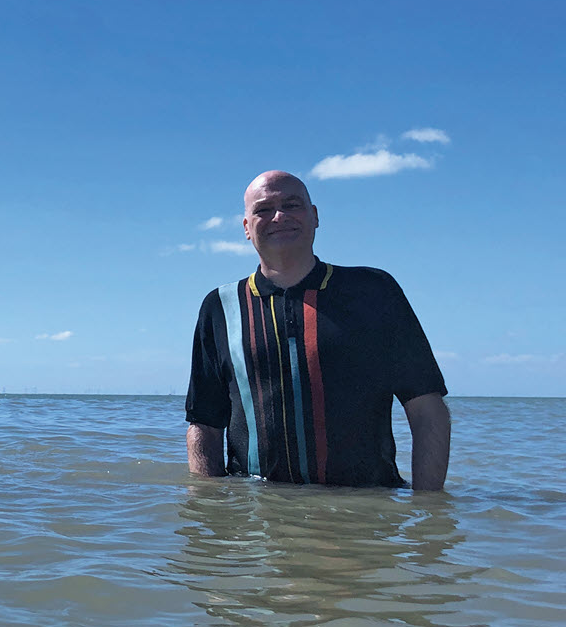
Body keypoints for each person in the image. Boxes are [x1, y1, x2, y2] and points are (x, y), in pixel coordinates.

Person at [185, 170, 450, 491]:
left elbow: (425, 408)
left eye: (292, 205)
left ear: (315, 216)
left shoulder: (373, 292)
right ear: (246, 228)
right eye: (263, 209)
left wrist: (429, 514)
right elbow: (205, 424)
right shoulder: (221, 307)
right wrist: (208, 513)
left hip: (365, 513)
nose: (279, 216)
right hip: (254, 515)